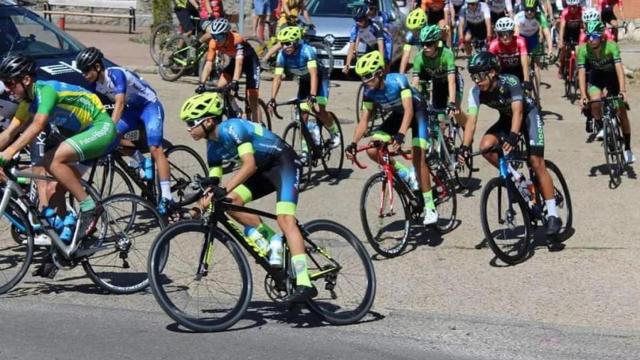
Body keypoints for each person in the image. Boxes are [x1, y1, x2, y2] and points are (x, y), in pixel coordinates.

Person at [179, 92, 317, 302]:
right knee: (230, 203)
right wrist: (197, 209)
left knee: (285, 219)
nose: (188, 128)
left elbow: (249, 164)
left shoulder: (233, 127)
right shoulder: (212, 145)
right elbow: (213, 184)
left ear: (207, 121)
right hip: (263, 171)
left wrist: (224, 189)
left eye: (191, 123)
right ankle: (273, 241)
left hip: (283, 163)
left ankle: (304, 281)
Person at [0, 55, 117, 243]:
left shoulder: (46, 91)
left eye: (10, 83)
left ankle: (89, 207)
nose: (7, 88)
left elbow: (38, 124)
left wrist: (9, 151)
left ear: (27, 79)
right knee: (54, 189)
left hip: (100, 128)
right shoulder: (26, 103)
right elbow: (9, 133)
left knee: (51, 160)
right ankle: (64, 246)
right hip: (81, 136)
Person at [459, 51, 562, 235]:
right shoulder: (475, 92)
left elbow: (518, 112)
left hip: (528, 116)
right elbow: (471, 122)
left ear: (492, 72)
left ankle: (553, 214)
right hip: (507, 119)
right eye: (473, 76)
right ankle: (518, 180)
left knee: (536, 162)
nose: (476, 80)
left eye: (480, 75)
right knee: (486, 147)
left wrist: (514, 136)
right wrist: (465, 147)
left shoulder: (511, 82)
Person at [75, 47, 175, 214]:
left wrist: (109, 129)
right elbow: (94, 109)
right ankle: (142, 163)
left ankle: (167, 196)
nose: (84, 74)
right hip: (132, 110)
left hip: (149, 106)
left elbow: (119, 104)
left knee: (155, 148)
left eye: (86, 70)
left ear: (97, 67)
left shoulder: (115, 74)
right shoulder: (94, 84)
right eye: (82, 71)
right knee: (113, 139)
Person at [346, 51, 439, 225]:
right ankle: (405, 174)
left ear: (380, 72)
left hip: (418, 113)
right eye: (361, 77)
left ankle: (430, 206)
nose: (365, 81)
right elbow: (364, 120)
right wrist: (352, 143)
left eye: (367, 76)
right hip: (397, 115)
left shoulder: (398, 81)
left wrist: (400, 135)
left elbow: (409, 111)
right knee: (373, 150)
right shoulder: (369, 92)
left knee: (418, 158)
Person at [267, 26, 340, 163]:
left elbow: (313, 74)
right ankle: (306, 151)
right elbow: (277, 77)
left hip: (319, 78)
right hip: (304, 81)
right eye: (282, 43)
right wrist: (272, 99)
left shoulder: (307, 51)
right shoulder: (282, 55)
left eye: (288, 43)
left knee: (318, 109)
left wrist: (312, 95)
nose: (285, 46)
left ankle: (334, 132)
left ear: (295, 42)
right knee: (302, 116)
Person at [577, 21, 633, 163]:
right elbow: (582, 73)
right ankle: (602, 126)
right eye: (588, 36)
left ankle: (627, 148)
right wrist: (583, 95)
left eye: (594, 36)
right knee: (595, 102)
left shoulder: (611, 46)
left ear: (601, 36)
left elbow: (619, 69)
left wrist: (623, 90)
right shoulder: (583, 50)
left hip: (612, 77)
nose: (590, 39)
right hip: (597, 77)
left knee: (621, 112)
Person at [198, 18, 262, 125]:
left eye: (219, 36)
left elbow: (239, 63)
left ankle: (258, 127)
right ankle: (237, 110)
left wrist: (235, 81)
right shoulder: (213, 43)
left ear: (226, 34)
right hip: (235, 61)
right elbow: (209, 64)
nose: (216, 39)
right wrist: (201, 83)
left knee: (252, 98)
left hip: (250, 63)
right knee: (220, 86)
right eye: (214, 36)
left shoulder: (237, 39)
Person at [411, 25, 465, 125]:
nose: (425, 47)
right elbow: (414, 83)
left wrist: (452, 103)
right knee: (440, 118)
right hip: (438, 84)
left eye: (428, 44)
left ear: (436, 43)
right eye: (422, 44)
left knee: (456, 111)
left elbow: (452, 82)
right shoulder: (419, 58)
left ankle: (466, 129)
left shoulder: (447, 54)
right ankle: (443, 138)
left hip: (454, 82)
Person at [514, 0, 553, 98]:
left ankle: (537, 94)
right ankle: (525, 86)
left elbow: (547, 34)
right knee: (525, 62)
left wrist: (550, 50)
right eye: (527, 10)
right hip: (522, 40)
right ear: (524, 9)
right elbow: (516, 35)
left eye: (532, 10)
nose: (530, 12)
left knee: (537, 66)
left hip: (533, 39)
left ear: (536, 9)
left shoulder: (540, 16)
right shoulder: (519, 17)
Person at [342, 6, 393, 74]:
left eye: (360, 20)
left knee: (384, 67)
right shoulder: (355, 28)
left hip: (385, 43)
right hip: (371, 44)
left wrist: (382, 62)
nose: (357, 22)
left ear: (366, 17)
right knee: (367, 67)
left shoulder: (375, 25)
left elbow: (381, 45)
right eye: (355, 20)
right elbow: (351, 46)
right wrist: (347, 64)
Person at [489, 17, 531, 85]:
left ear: (512, 33)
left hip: (519, 68)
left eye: (507, 33)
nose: (505, 37)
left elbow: (524, 64)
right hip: (503, 69)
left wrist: (526, 81)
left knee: (528, 59)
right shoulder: (494, 44)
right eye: (501, 34)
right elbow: (490, 64)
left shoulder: (520, 41)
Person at [557, 0, 582, 79]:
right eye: (570, 7)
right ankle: (561, 68)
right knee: (564, 50)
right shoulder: (565, 12)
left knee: (579, 51)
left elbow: (584, 28)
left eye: (574, 7)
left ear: (578, 5)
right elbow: (562, 28)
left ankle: (578, 69)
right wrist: (561, 41)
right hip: (567, 33)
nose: (572, 9)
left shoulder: (582, 11)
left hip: (577, 33)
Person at [400, 8, 428, 74]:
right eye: (412, 30)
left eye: (417, 30)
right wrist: (400, 75)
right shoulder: (410, 36)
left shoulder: (429, 33)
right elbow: (405, 56)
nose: (414, 33)